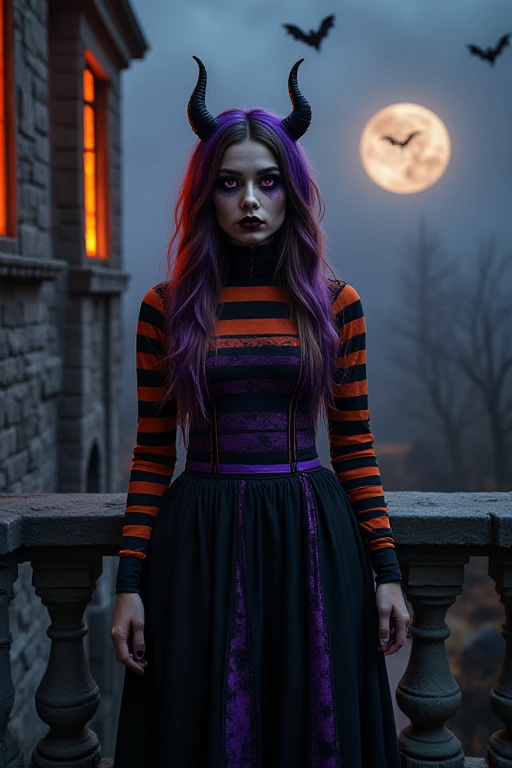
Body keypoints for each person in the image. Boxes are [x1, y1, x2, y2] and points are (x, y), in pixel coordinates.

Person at [111, 55, 410, 768]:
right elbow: (153, 453)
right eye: (230, 182)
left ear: (292, 194)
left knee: (312, 728)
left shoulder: (336, 306)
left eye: (268, 182)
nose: (250, 199)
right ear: (206, 196)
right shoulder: (166, 308)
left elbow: (357, 446)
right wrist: (128, 584)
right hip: (200, 543)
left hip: (312, 535)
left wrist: (387, 569)